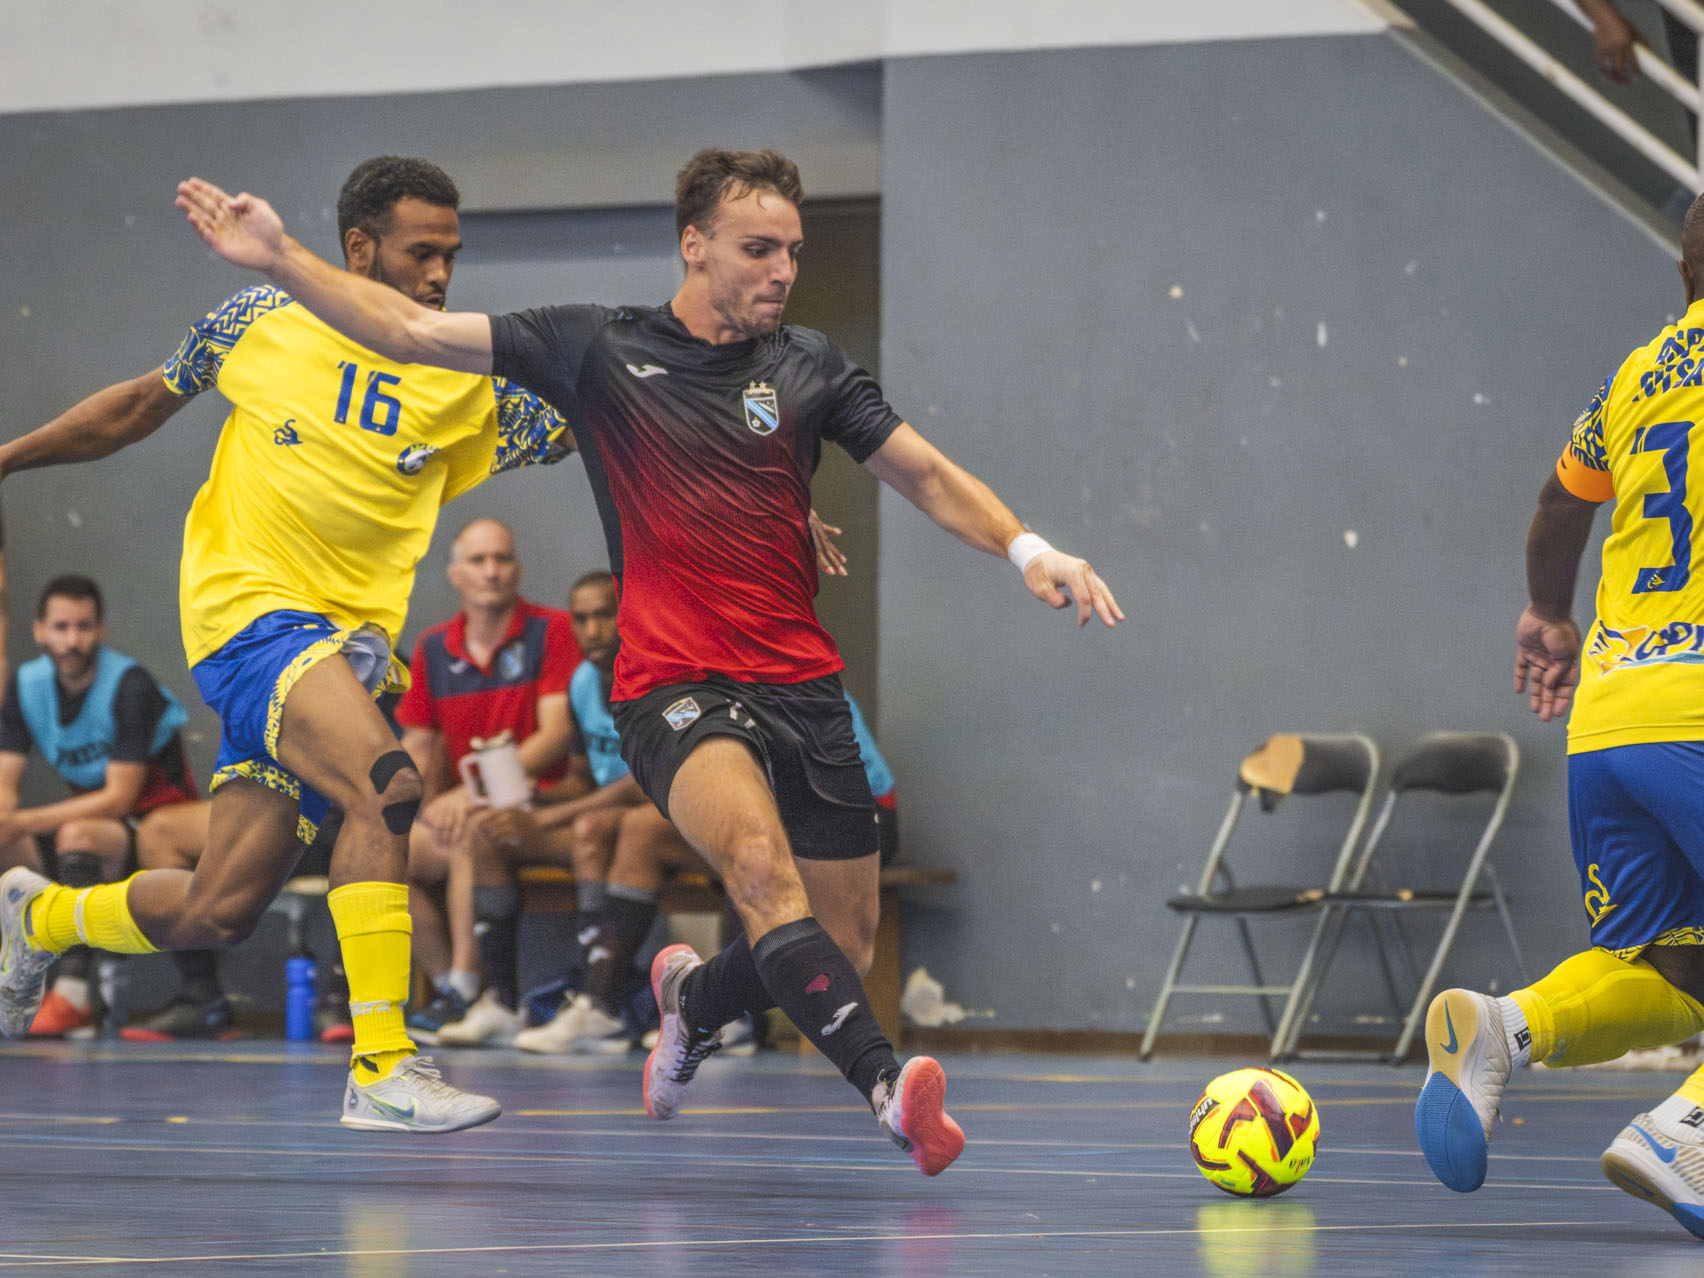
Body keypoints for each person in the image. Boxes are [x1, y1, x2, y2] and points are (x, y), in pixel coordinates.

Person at [175, 146, 1122, 1176]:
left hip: (802, 684)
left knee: (841, 941)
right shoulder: (595, 347)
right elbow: (406, 330)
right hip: (673, 685)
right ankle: (890, 1091)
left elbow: (925, 474)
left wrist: (1029, 548)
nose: (782, 271)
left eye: (793, 252)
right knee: (759, 871)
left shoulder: (810, 365)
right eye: (758, 250)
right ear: (694, 245)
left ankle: (692, 1001)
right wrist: (279, 257)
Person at [0, 156, 572, 1133]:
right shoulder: (262, 318)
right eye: (421, 252)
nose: (441, 273)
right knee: (389, 787)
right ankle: (383, 1062)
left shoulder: (473, 384)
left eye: (451, 253)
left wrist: (759, 489)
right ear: (360, 247)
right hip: (248, 619)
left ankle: (37, 914)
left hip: (343, 660)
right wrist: (6, 460)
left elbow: (619, 433)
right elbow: (136, 407)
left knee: (219, 909)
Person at [1414, 193, 1704, 1237]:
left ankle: (1505, 1030)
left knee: (1678, 973)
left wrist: (1547, 614)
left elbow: (1556, 506)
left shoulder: (1639, 375)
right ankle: (1687, 1133)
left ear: (1685, 274)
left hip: (1614, 715)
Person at [394, 516, 581, 1045]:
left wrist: (466, 792)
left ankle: (469, 988)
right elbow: (418, 745)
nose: (491, 571)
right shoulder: (433, 647)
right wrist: (410, 805)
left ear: (518, 570)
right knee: (384, 853)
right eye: (478, 560)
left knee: (470, 832)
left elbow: (554, 737)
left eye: (502, 559)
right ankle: (453, 989)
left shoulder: (552, 630)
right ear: (455, 573)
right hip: (465, 807)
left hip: (543, 804)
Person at [0, 575, 205, 1037]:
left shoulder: (129, 684)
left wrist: (21, 820)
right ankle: (24, 971)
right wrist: (6, 820)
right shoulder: (28, 687)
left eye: (84, 626)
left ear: (101, 630)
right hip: (95, 831)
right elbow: (5, 783)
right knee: (11, 841)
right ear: (38, 631)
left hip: (156, 824)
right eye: (61, 627)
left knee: (78, 834)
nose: (72, 640)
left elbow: (119, 797)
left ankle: (72, 992)